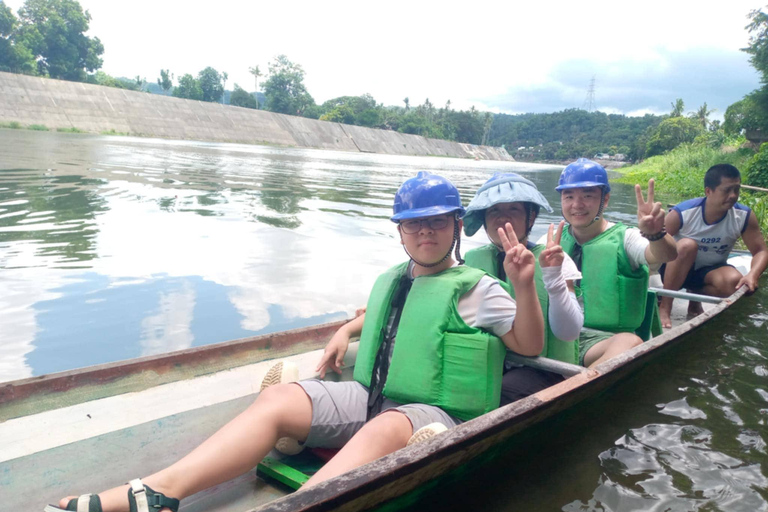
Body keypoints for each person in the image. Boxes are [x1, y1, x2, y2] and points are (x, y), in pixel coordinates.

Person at [46, 172, 544, 512]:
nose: (425, 232)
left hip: (431, 416)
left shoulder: (480, 289)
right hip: (373, 397)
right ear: (400, 232)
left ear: (457, 226)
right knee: (281, 396)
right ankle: (157, 493)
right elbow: (386, 318)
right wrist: (345, 330)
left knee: (388, 424)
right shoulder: (396, 278)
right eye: (414, 223)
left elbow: (527, 344)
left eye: (437, 222)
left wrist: (524, 285)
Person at [462, 173, 583, 405]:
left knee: (504, 389)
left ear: (531, 217)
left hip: (545, 369)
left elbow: (569, 332)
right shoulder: (471, 261)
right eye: (494, 211)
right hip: (491, 363)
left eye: (514, 210)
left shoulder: (555, 259)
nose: (503, 218)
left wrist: (553, 277)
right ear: (484, 219)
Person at [554, 158, 678, 368]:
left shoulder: (626, 238)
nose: (577, 204)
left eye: (587, 196)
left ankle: (571, 390)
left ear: (606, 199)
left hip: (601, 342)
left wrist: (656, 234)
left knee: (630, 342)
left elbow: (665, 255)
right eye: (569, 196)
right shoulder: (552, 238)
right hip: (555, 335)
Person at [658, 164, 768, 327]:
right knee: (687, 246)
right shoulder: (683, 213)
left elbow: (761, 251)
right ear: (708, 191)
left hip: (707, 272)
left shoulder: (743, 216)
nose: (733, 195)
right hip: (673, 269)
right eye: (727, 190)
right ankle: (665, 306)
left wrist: (752, 274)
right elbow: (654, 246)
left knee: (734, 282)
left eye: (736, 190)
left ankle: (694, 297)